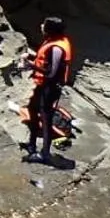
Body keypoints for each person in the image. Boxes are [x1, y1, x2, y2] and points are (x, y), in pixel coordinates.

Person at [20, 16, 73, 164]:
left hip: (50, 88)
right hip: (42, 86)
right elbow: (44, 59)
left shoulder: (57, 48)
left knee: (46, 118)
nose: (41, 26)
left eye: (44, 25)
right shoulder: (52, 40)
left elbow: (51, 72)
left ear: (51, 29)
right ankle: (31, 145)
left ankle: (45, 154)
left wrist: (30, 66)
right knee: (31, 109)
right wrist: (31, 56)